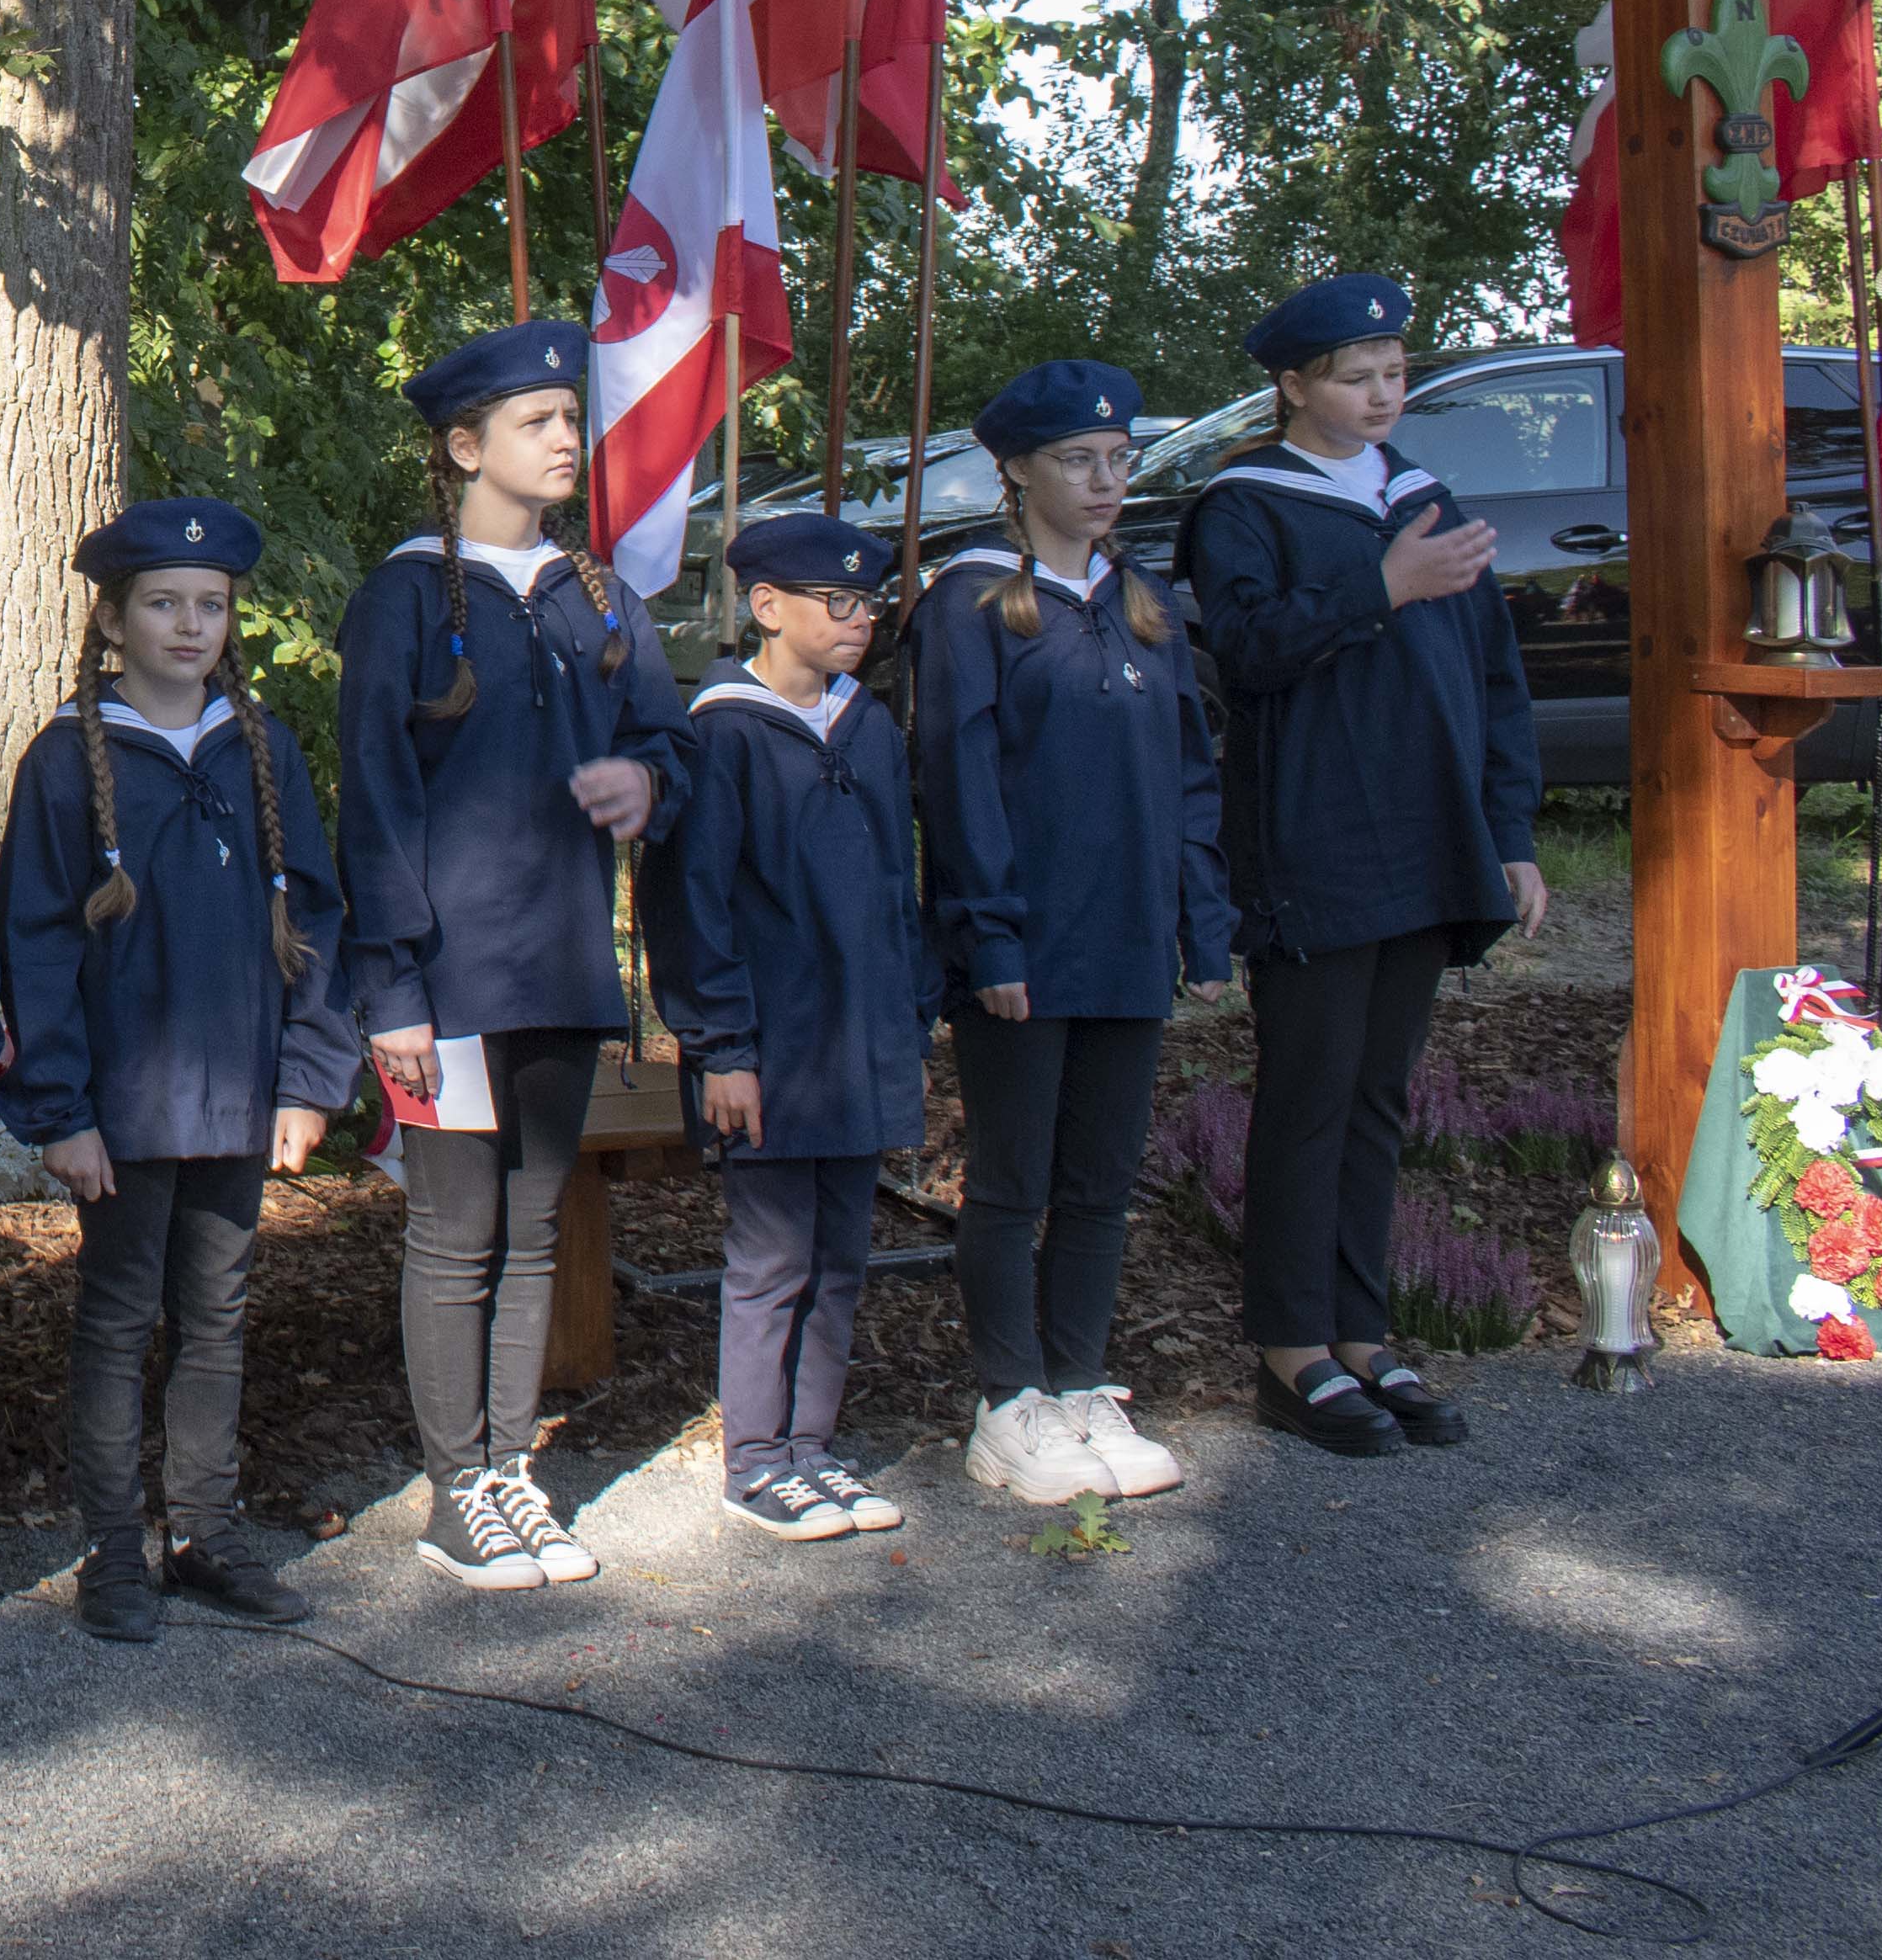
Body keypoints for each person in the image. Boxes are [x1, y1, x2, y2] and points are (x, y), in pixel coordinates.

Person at [334, 318, 691, 1595]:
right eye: (535, 422)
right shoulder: (402, 599)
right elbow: (371, 803)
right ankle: (452, 1493)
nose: (561, 440)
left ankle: (508, 1471)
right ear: (461, 445)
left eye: (566, 419)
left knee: (535, 1228)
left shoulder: (597, 596)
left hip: (558, 971)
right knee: (455, 1229)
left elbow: (670, 743)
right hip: (442, 990)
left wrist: (642, 782)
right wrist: (390, 989)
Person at [1180, 277, 1547, 1459]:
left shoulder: (1422, 498)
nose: (1380, 394)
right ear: (1292, 385)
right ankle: (1289, 1351)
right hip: (1317, 838)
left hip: (1427, 833)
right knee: (1308, 1095)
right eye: (1353, 375)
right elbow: (1245, 649)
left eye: (1393, 371)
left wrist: (1507, 833)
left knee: (1379, 1097)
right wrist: (1379, 586)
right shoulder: (1243, 503)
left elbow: (1492, 680)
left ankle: (1358, 1329)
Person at [0, 497, 350, 1645]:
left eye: (209, 604)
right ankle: (110, 1546)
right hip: (124, 1106)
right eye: (162, 604)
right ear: (112, 619)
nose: (189, 624)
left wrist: (304, 1078)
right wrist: (60, 1109)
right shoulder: (66, 758)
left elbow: (317, 916)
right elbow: (34, 945)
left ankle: (203, 1531)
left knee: (217, 1313)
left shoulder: (261, 746)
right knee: (114, 1320)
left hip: (240, 1090)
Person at [916, 359, 1228, 1506]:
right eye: (1075, 460)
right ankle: (1008, 1400)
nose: (1104, 479)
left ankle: (1079, 1379)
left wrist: (1200, 921)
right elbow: (956, 784)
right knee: (1012, 1177)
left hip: (1127, 935)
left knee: (1099, 1177)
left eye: (1117, 457)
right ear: (1014, 469)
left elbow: (1191, 776)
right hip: (1024, 944)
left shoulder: (1138, 599)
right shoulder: (970, 603)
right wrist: (987, 938)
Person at [652, 514, 938, 1543]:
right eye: (838, 602)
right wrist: (719, 1047)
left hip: (861, 1044)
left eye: (869, 603)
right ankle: (756, 1460)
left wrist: (910, 1015)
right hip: (767, 1050)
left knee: (843, 1255)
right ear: (766, 607)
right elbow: (693, 903)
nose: (860, 621)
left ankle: (812, 1449)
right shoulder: (721, 728)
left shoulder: (869, 724)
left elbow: (897, 886)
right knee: (770, 1260)